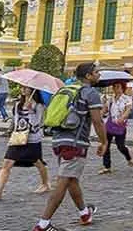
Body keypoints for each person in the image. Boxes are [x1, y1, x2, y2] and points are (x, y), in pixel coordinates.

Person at [32, 62, 104, 231]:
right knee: (63, 182)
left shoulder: (67, 89)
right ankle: (43, 224)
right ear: (88, 76)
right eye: (96, 72)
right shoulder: (90, 93)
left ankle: (84, 213)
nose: (99, 75)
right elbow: (97, 121)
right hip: (75, 144)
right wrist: (104, 141)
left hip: (58, 141)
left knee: (71, 179)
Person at [0, 87, 50, 199]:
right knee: (7, 163)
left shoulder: (39, 106)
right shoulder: (18, 105)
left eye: (26, 88)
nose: (23, 89)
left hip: (32, 139)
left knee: (37, 162)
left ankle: (45, 184)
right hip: (18, 138)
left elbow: (38, 123)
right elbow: (15, 122)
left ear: (32, 90)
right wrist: (13, 134)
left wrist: (31, 110)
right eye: (22, 87)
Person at [98, 82, 133, 174]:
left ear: (122, 88)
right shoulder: (110, 99)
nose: (115, 88)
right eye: (114, 87)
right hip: (110, 125)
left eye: (117, 87)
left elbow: (128, 110)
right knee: (106, 144)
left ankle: (128, 157)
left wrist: (123, 117)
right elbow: (105, 109)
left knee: (121, 146)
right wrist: (100, 115)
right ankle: (107, 166)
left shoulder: (127, 99)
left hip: (120, 125)